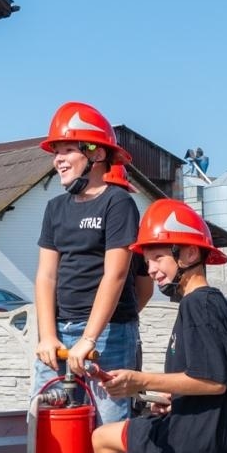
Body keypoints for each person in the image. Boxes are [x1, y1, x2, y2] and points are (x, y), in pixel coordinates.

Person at [92, 201, 227, 453]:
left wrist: (140, 380)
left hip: (199, 440)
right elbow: (212, 377)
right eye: (147, 261)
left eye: (158, 257)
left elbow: (213, 382)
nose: (150, 269)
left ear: (188, 254)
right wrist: (174, 399)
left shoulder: (197, 304)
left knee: (102, 438)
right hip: (224, 438)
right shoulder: (217, 304)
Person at [33, 101, 142, 425]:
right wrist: (47, 336)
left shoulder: (118, 202)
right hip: (61, 329)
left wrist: (89, 339)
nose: (58, 160)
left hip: (108, 333)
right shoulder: (55, 208)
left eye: (67, 150)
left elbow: (116, 274)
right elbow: (46, 277)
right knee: (47, 416)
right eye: (56, 152)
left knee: (109, 423)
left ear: (95, 154)